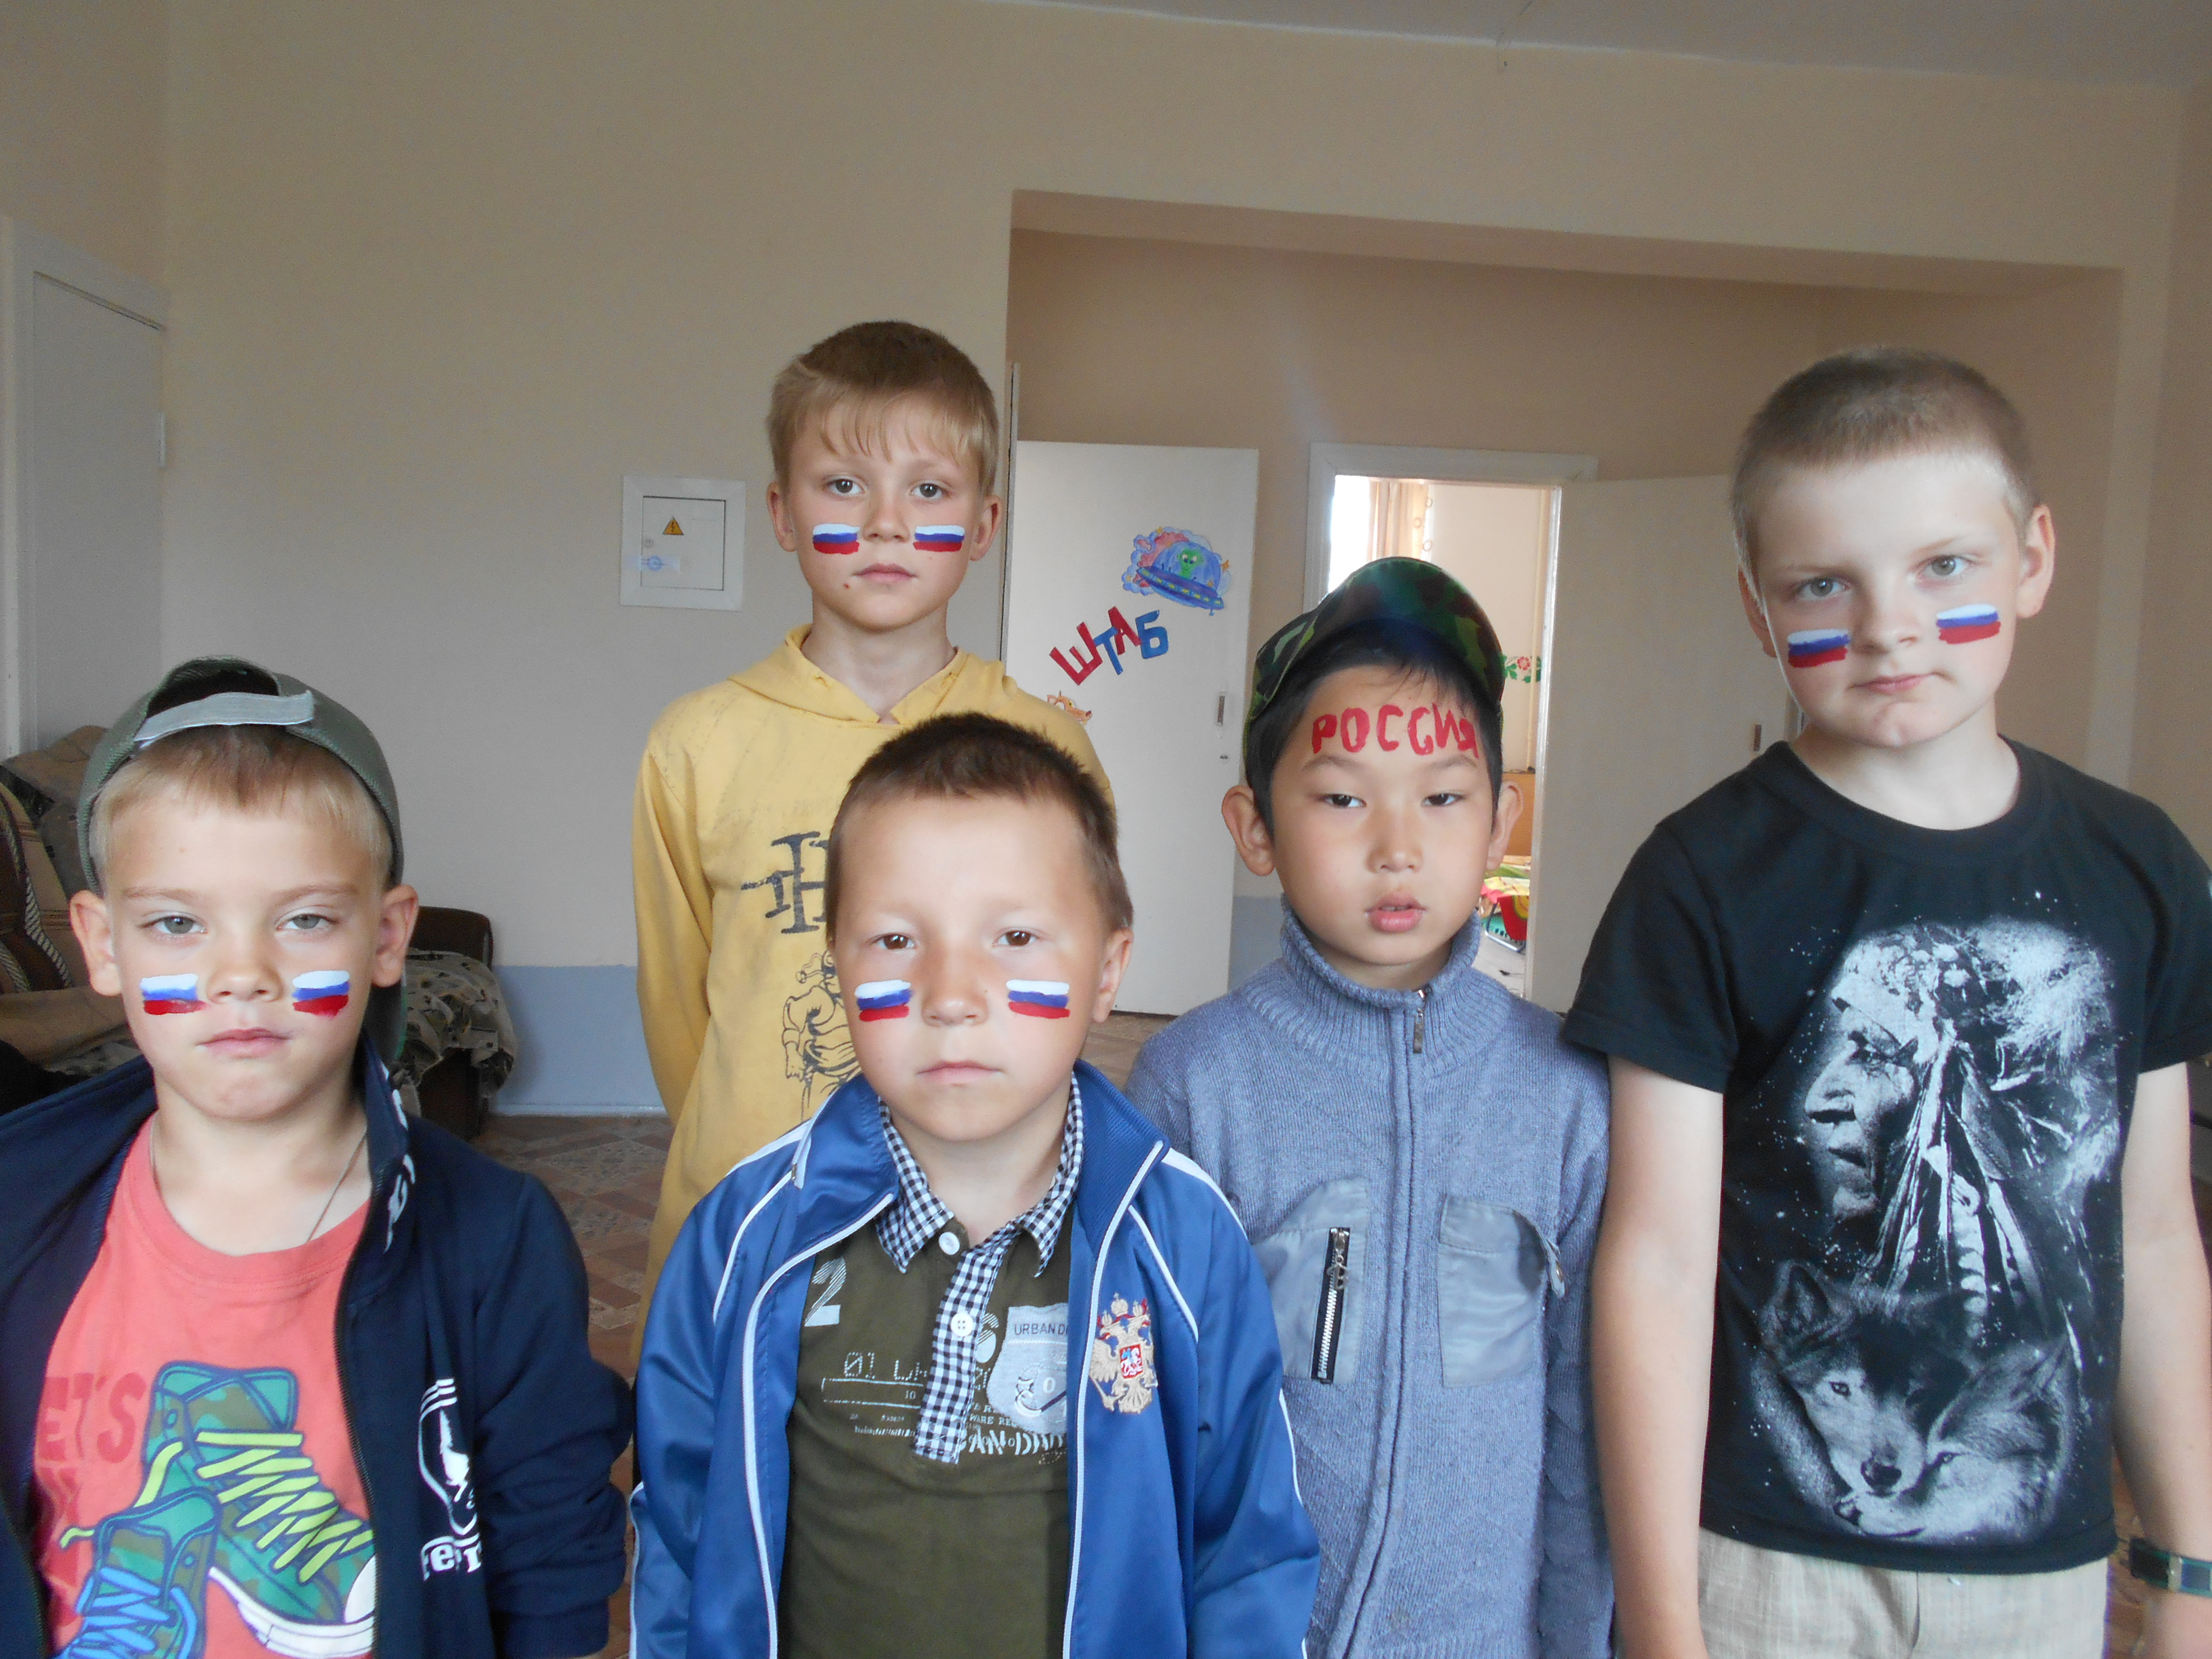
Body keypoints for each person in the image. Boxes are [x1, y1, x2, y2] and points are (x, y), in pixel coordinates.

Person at [1568, 348, 2212, 1659]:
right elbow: (1658, 1262)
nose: (1887, 627)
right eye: (1824, 584)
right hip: (1762, 1567)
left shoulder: (2139, 868)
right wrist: (1662, 1619)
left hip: (2044, 1568)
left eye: (1944, 566)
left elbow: (2151, 1235)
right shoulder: (1700, 877)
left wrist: (2188, 1571)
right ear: (1760, 611)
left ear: (2033, 558)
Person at [630, 713, 1316, 1658]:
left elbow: (1245, 1551)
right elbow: (679, 1528)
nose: (950, 995)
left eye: (1015, 936)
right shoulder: (745, 1237)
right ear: (836, 967)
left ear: (1107, 970)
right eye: (894, 940)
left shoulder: (1182, 1239)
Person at [0, 658, 632, 1658]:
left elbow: (549, 1540)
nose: (241, 974)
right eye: (176, 924)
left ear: (386, 937)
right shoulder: (18, 1206)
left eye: (303, 920)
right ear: (103, 946)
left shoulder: (491, 1235)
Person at [1127, 558, 1614, 1657]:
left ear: (1500, 821)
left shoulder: (1564, 1094)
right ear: (1255, 828)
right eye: (1342, 799)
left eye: (1442, 798)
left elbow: (1581, 1415)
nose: (1397, 847)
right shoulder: (1194, 1085)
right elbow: (1143, 1417)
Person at [632, 320, 1106, 1346]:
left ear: (982, 524)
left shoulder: (1047, 746)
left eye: (928, 491)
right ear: (782, 512)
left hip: (973, 1226)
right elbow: (680, 1009)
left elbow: (1065, 972)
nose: (886, 524)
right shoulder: (696, 744)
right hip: (748, 1222)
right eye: (843, 486)